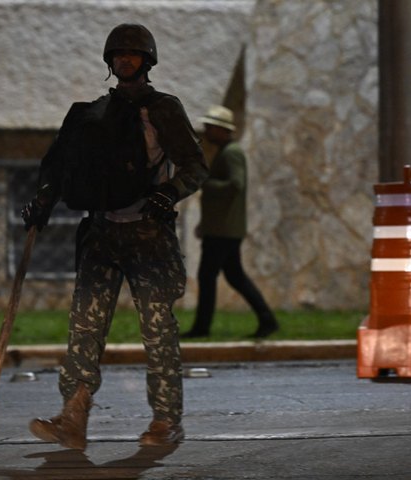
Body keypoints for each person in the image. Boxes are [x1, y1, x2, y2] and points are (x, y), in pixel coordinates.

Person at [20, 23, 208, 449]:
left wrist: (170, 193)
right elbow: (60, 168)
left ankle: (165, 420)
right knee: (84, 329)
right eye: (118, 54)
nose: (125, 60)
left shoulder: (163, 110)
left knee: (158, 330)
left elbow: (195, 166)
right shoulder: (91, 115)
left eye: (133, 54)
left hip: (149, 236)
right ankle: (73, 417)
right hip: (101, 233)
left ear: (147, 61)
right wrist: (42, 203)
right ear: (109, 61)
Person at [182, 105, 279, 339]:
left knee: (208, 277)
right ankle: (267, 320)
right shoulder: (226, 151)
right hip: (221, 228)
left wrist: (207, 183)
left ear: (222, 130)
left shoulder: (231, 153)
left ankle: (202, 328)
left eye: (210, 128)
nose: (206, 131)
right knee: (234, 276)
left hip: (223, 231)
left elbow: (237, 184)